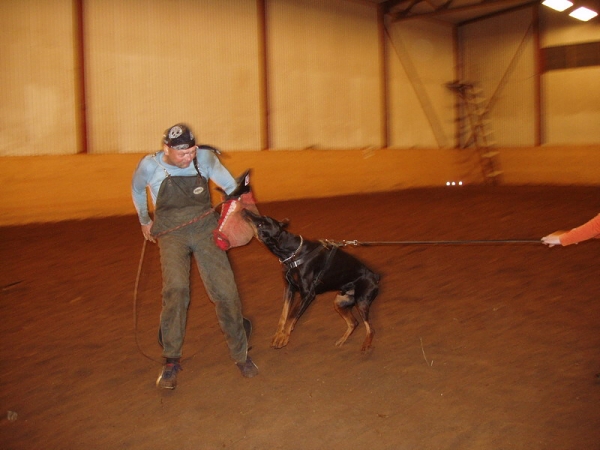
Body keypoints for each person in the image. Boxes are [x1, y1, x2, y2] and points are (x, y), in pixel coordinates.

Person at [131, 123, 258, 389]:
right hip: (170, 231)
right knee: (176, 289)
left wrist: (237, 196)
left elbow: (229, 186)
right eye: (182, 154)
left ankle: (241, 354)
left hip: (203, 228)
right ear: (167, 149)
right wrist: (145, 220)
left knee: (225, 291)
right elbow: (136, 188)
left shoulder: (205, 159)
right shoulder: (149, 166)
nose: (188, 157)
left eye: (191, 152)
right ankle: (171, 359)